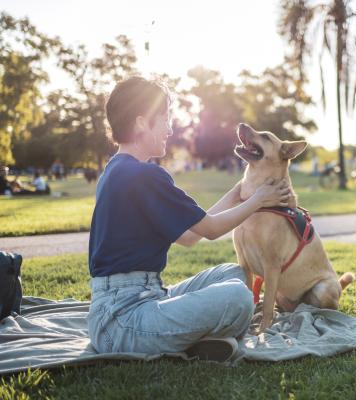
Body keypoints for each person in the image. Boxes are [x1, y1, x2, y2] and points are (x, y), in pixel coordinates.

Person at [87, 76, 291, 361]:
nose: (170, 128)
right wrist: (259, 200)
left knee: (233, 274)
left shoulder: (118, 169)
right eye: (165, 118)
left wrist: (238, 193)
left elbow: (189, 236)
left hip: (133, 304)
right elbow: (209, 229)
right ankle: (199, 338)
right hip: (124, 321)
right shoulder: (144, 175)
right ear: (142, 122)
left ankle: (195, 340)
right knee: (239, 297)